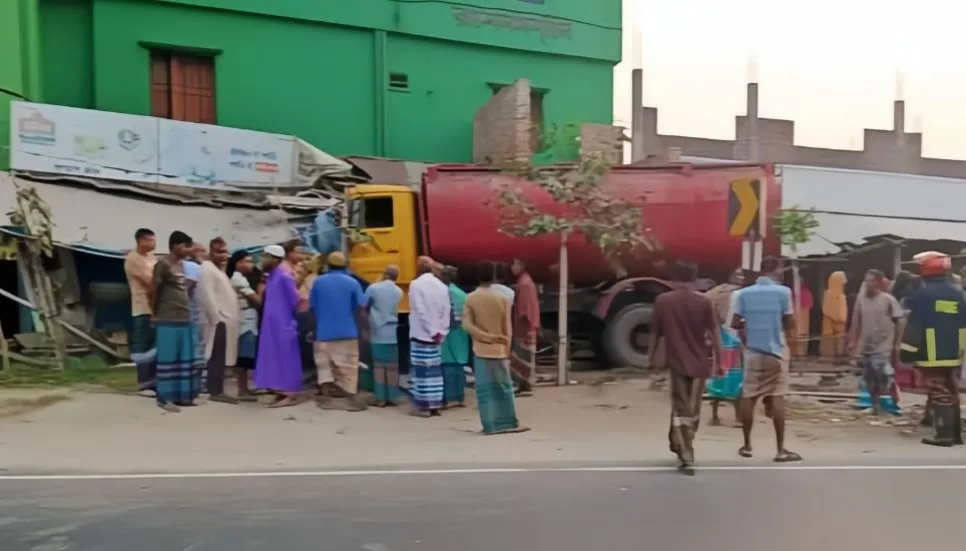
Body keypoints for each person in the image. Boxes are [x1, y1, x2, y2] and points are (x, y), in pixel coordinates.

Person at [647, 261, 721, 474]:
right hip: (700, 362)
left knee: (681, 408)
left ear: (674, 278)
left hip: (677, 361)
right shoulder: (704, 302)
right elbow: (715, 333)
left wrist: (650, 358)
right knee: (692, 410)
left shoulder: (663, 301)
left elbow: (655, 333)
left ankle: (684, 450)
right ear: (695, 278)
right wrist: (720, 361)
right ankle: (683, 445)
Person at [731, 257, 802, 463]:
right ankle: (780, 450)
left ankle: (746, 445)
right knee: (777, 397)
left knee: (749, 396)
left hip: (753, 352)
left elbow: (736, 322)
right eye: (781, 268)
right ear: (775, 270)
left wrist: (749, 329)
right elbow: (790, 322)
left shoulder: (742, 294)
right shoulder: (783, 292)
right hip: (776, 351)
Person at [900, 252, 966, 446]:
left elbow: (915, 325)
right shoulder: (958, 293)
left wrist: (907, 352)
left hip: (931, 350)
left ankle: (944, 435)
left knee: (938, 389)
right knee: (950, 388)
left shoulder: (924, 294)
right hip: (954, 351)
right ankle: (955, 435)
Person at [463, 261, 529, 435]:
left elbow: (467, 325)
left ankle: (490, 425)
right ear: (493, 277)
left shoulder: (470, 298)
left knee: (485, 390)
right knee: (504, 388)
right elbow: (508, 328)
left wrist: (486, 337)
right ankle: (509, 423)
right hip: (499, 350)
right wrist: (504, 345)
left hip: (481, 350)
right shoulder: (503, 298)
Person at [310, 251, 369, 412]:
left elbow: (313, 306)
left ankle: (326, 400)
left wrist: (316, 327)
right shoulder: (352, 283)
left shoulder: (318, 282)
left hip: (324, 331)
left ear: (327, 265)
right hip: (347, 330)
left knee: (324, 365)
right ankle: (352, 400)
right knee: (349, 365)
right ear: (345, 265)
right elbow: (362, 305)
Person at [152, 231, 202, 412]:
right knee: (168, 358)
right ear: (174, 246)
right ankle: (165, 399)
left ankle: (184, 396)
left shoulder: (182, 265)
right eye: (185, 246)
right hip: (167, 317)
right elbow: (154, 289)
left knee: (184, 357)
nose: (188, 250)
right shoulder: (162, 264)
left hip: (185, 316)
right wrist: (154, 313)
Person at [846, 270, 903, 415]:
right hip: (866, 345)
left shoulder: (888, 300)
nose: (868, 283)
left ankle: (889, 403)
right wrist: (853, 341)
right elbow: (856, 320)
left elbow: (900, 321)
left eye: (871, 280)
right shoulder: (861, 300)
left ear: (878, 282)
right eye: (866, 280)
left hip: (884, 345)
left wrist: (896, 343)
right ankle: (875, 405)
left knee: (883, 375)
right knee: (869, 377)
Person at [254, 245, 303, 408]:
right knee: (273, 358)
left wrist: (284, 319)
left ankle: (290, 393)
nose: (263, 260)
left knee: (285, 358)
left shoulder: (284, 276)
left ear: (275, 259)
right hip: (271, 325)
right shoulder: (271, 276)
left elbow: (294, 300)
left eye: (266, 256)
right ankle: (279, 391)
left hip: (283, 324)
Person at [196, 237, 240, 404]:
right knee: (215, 356)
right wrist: (216, 318)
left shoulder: (218, 270)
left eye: (225, 252)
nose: (224, 256)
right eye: (219, 252)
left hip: (225, 320)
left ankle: (218, 389)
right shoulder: (207, 269)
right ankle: (214, 390)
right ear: (211, 252)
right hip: (217, 320)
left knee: (221, 357)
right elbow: (206, 295)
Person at [408, 256, 451, 417]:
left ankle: (422, 405)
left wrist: (431, 330)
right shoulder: (442, 286)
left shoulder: (416, 285)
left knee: (420, 371)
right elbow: (446, 310)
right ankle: (435, 406)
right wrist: (441, 331)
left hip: (421, 333)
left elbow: (419, 311)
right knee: (435, 372)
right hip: (438, 336)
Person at [704, 269, 745, 426]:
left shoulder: (716, 292)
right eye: (738, 275)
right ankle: (737, 417)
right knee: (736, 377)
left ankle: (715, 416)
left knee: (719, 376)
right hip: (734, 339)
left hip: (720, 339)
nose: (740, 278)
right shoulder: (740, 294)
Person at [364, 265, 405, 406]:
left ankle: (381, 398)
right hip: (392, 330)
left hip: (377, 330)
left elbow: (364, 304)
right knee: (392, 366)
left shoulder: (374, 288)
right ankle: (393, 397)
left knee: (379, 366)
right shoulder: (398, 291)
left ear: (384, 274)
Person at [124, 228, 158, 396]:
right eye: (150, 240)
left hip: (157, 307)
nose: (153, 243)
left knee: (154, 347)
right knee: (143, 346)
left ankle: (154, 382)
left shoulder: (152, 258)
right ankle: (144, 384)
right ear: (140, 241)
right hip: (143, 307)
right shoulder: (133, 259)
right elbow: (150, 282)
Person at [227, 249, 261, 401]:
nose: (251, 264)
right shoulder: (238, 279)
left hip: (246, 320)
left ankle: (245, 388)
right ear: (239, 263)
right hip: (244, 321)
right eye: (248, 261)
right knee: (243, 356)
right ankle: (242, 390)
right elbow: (256, 300)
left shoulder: (241, 277)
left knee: (245, 355)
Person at [440, 265, 470, 408]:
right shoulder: (462, 294)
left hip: (445, 333)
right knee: (459, 364)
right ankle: (459, 396)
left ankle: (449, 397)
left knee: (447, 364)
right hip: (461, 333)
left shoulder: (440, 293)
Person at [510, 258, 540, 396]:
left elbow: (524, 310)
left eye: (514, 264)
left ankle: (524, 384)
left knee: (521, 358)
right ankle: (525, 384)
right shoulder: (526, 281)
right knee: (524, 358)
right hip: (528, 326)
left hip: (524, 328)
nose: (512, 267)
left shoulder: (524, 284)